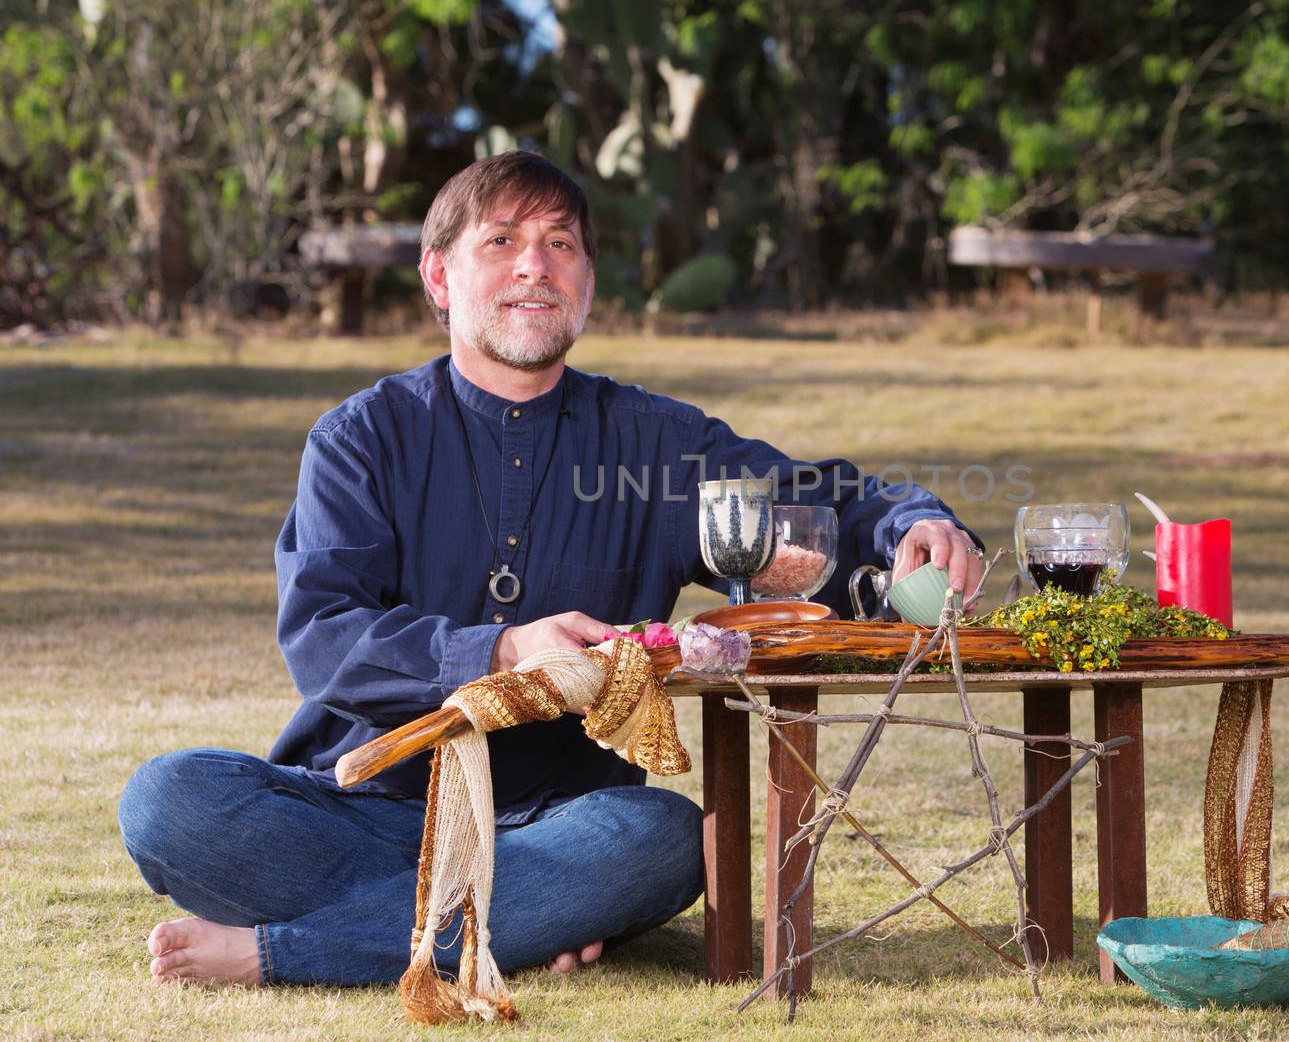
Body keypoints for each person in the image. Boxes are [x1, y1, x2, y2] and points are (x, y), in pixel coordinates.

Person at [118, 151, 983, 988]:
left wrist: (917, 524)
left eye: (561, 244)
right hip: (367, 809)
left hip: (560, 827)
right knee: (167, 801)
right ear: (438, 277)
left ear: (588, 284)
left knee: (666, 839)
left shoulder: (656, 445)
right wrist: (502, 652)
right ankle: (519, 924)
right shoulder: (360, 440)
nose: (536, 266)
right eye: (501, 241)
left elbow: (815, 505)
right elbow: (324, 639)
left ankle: (289, 951)